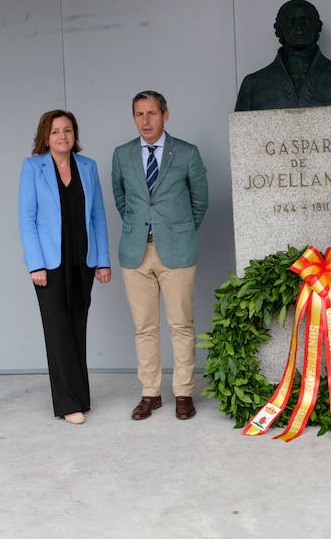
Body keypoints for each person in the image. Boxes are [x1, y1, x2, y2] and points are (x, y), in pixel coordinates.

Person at [111, 91, 208, 421]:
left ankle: (183, 392)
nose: (145, 120)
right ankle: (150, 394)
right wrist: (142, 229)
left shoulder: (187, 153)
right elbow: (122, 200)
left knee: (181, 324)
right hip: (135, 252)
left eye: (151, 113)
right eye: (139, 114)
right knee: (144, 327)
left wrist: (177, 231)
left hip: (177, 251)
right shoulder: (122, 155)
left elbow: (200, 202)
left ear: (165, 115)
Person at [18, 110, 112, 425]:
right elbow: (26, 219)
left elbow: (98, 216)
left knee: (76, 328)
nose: (63, 137)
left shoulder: (88, 167)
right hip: (49, 265)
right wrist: (36, 264)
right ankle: (68, 403)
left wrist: (103, 261)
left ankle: (81, 398)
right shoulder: (33, 167)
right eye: (56, 131)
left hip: (82, 262)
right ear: (46, 136)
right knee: (57, 332)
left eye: (68, 130)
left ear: (75, 135)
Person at [234, 0, 331, 111]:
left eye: (306, 20)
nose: (299, 27)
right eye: (291, 21)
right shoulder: (253, 85)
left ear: (317, 27)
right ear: (279, 29)